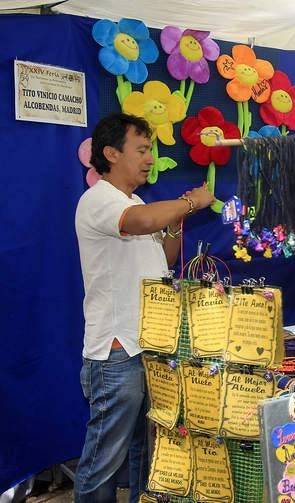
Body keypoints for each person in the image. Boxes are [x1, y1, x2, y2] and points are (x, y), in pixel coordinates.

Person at [74, 113, 214, 502]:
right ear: (111, 154)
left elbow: (165, 257)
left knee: (143, 451)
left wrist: (177, 220)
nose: (150, 158)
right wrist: (189, 201)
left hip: (146, 346)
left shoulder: (133, 201)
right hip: (117, 351)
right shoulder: (99, 200)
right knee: (103, 461)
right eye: (141, 149)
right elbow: (139, 223)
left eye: (150, 149)